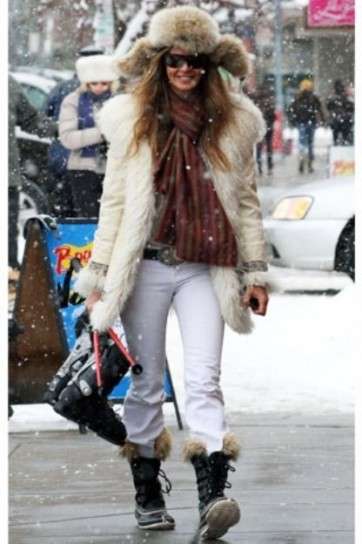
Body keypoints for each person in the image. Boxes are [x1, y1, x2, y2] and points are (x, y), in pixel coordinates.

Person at [75, 6, 269, 540]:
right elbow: (115, 203)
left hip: (207, 266)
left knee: (204, 380)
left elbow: (245, 203)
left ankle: (215, 495)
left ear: (210, 68)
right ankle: (147, 494)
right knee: (145, 385)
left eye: (197, 63)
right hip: (147, 267)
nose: (186, 71)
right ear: (160, 63)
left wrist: (254, 271)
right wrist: (97, 275)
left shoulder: (232, 123)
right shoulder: (131, 120)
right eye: (176, 61)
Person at [44, 46, 105, 217]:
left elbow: (46, 119)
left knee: (67, 215)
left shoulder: (61, 88)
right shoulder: (107, 91)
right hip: (94, 165)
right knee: (94, 217)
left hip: (63, 162)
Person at [59, 54, 120, 218]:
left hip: (115, 167)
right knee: (88, 222)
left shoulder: (120, 101)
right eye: (94, 83)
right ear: (86, 82)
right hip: (82, 169)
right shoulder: (72, 101)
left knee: (113, 219)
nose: (99, 87)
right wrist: (102, 133)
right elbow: (68, 138)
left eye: (104, 83)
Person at [8, 74, 54, 275]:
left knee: (7, 237)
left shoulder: (7, 83)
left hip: (7, 180)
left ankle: (10, 273)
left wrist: (62, 129)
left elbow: (31, 120)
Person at [288, 79, 324, 174]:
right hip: (311, 123)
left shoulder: (298, 97)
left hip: (301, 123)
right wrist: (323, 120)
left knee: (302, 144)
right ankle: (310, 164)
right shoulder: (313, 97)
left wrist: (292, 121)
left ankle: (301, 160)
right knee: (310, 144)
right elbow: (319, 109)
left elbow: (291, 110)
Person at [250, 82, 276, 175]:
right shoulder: (269, 100)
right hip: (268, 127)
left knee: (259, 147)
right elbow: (273, 115)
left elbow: (252, 115)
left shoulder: (254, 100)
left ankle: (259, 166)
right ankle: (269, 167)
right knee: (269, 147)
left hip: (259, 127)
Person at [326, 79, 354, 146]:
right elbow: (351, 107)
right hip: (345, 119)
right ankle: (344, 145)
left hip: (337, 119)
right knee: (346, 136)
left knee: (336, 136)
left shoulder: (333, 96)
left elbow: (328, 107)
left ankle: (337, 146)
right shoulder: (345, 95)